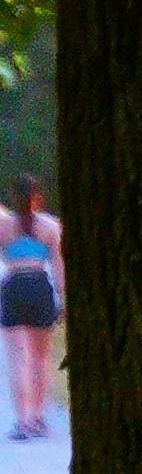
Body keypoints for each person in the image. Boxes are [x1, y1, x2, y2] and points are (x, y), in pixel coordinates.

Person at [0, 185, 60, 443]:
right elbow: (58, 265)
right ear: (39, 198)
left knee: (17, 359)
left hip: (14, 285)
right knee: (41, 358)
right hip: (39, 286)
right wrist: (64, 297)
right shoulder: (50, 226)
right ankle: (38, 419)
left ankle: (22, 422)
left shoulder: (4, 227)